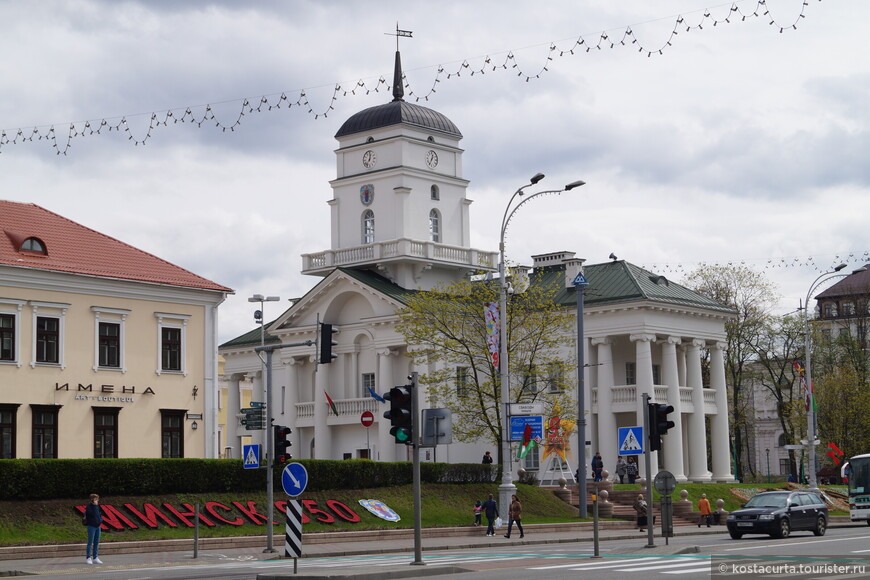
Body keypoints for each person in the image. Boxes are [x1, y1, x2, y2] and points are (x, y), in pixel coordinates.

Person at [84, 493, 103, 565]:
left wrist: (101, 520)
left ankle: (95, 557)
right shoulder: (89, 507)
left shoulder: (97, 507)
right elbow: (93, 514)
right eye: (96, 499)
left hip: (98, 526)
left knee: (96, 542)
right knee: (90, 542)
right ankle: (88, 557)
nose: (97, 501)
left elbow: (99, 515)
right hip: (91, 526)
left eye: (97, 499)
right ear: (92, 500)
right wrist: (95, 506)